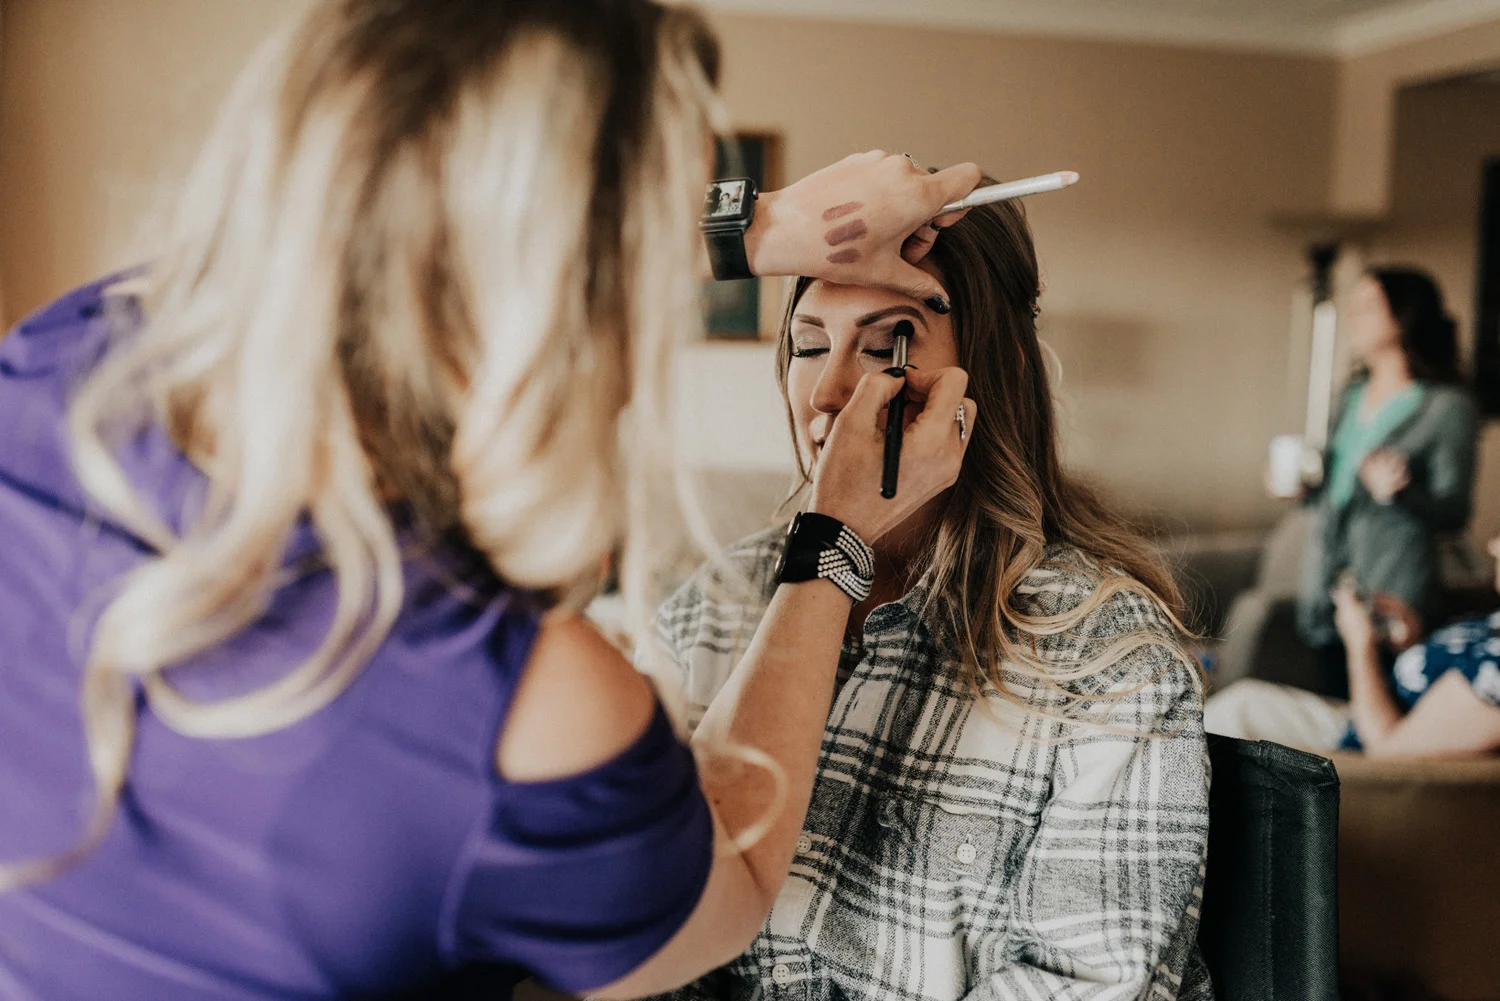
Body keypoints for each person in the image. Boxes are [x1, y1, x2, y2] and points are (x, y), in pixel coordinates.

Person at [0, 2, 985, 999]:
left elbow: (371, 233)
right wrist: (835, 537)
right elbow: (729, 878)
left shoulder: (63, 358)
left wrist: (758, 228)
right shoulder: (525, 706)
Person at [641, 189, 1212, 1001]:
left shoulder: (1102, 658)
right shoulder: (714, 605)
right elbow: (633, 926)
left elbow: (1088, 985)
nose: (828, 393)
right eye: (809, 346)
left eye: (887, 346)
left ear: (999, 368)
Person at [1290, 268, 1477, 697]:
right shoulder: (1348, 397)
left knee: (1380, 721)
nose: (1354, 316)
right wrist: (1303, 489)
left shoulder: (1446, 407)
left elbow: (1454, 511)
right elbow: (1332, 493)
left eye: (1369, 305)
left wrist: (1399, 495)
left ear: (1404, 316)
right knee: (1332, 713)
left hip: (1395, 592)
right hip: (1326, 583)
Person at [1207, 538, 1500, 757]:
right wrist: (1409, 641)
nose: (1493, 545)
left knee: (1223, 723)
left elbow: (1389, 757)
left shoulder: (1493, 678)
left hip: (1357, 759)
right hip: (1357, 723)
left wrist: (1360, 646)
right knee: (1236, 706)